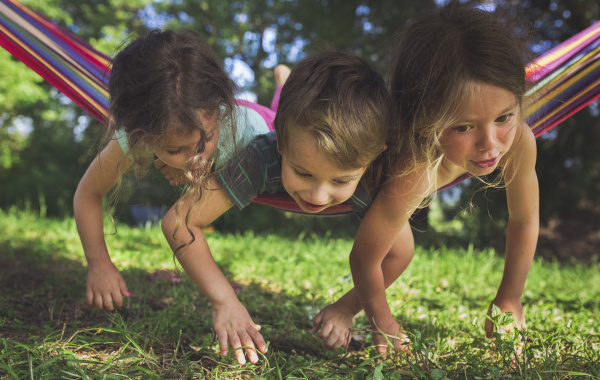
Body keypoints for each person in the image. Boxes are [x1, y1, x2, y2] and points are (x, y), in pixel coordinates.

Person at [312, 4, 539, 356]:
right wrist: (382, 323)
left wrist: (509, 298)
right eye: (463, 127)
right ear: (425, 123)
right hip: (364, 174)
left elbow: (524, 220)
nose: (490, 144)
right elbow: (364, 259)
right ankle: (283, 84)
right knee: (401, 253)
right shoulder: (414, 170)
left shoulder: (520, 142)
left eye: (504, 117)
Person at [160, 50, 391, 365]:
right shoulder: (261, 155)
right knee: (276, 112)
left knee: (284, 110)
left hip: (287, 127)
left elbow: (399, 253)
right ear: (280, 144)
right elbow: (179, 222)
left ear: (372, 159)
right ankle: (283, 83)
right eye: (303, 173)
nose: (319, 197)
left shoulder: (371, 180)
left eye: (340, 182)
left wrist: (347, 307)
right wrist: (224, 301)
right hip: (261, 121)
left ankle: (284, 81)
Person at [73, 29, 274, 314]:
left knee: (283, 109)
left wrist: (194, 171)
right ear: (142, 137)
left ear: (218, 112)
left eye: (205, 140)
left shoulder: (251, 134)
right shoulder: (138, 133)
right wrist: (99, 264)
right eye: (175, 150)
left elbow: (272, 172)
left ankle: (283, 83)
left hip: (269, 121)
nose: (195, 156)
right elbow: (88, 193)